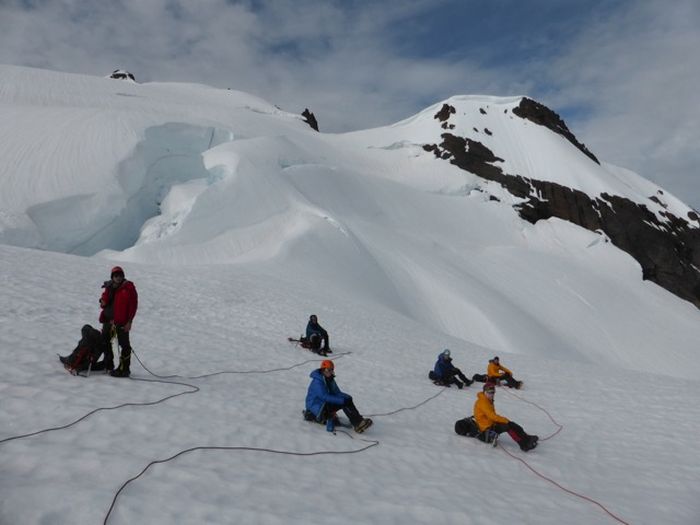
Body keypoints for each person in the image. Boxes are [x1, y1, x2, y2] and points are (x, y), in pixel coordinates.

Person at [304, 359, 372, 433]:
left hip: (324, 404)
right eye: (327, 370)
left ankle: (359, 421)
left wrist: (347, 397)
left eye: (331, 370)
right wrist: (341, 400)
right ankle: (358, 423)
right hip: (316, 409)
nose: (329, 372)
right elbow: (324, 396)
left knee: (347, 400)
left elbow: (336, 392)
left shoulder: (329, 379)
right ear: (323, 370)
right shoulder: (317, 381)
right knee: (343, 402)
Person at [473, 382, 538, 451]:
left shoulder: (487, 400)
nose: (491, 394)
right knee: (508, 426)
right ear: (484, 392)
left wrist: (506, 421)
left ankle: (527, 438)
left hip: (491, 423)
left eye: (493, 392)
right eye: (489, 393)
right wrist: (506, 421)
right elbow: (492, 416)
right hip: (486, 429)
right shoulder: (483, 402)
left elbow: (491, 416)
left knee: (513, 425)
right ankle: (523, 445)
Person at [99, 266, 138, 377]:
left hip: (122, 322)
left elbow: (133, 306)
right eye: (116, 275)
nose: (118, 277)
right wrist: (103, 301)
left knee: (124, 345)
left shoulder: (128, 288)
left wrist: (129, 322)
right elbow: (105, 299)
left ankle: (124, 369)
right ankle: (108, 364)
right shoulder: (109, 286)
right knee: (105, 341)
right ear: (112, 277)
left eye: (120, 275)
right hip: (108, 321)